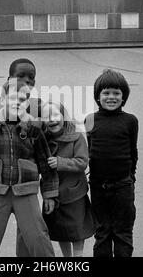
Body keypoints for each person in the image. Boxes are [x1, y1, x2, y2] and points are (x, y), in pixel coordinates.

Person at [0, 81, 59, 257]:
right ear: (2, 100)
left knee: (38, 239)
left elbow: (45, 162)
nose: (18, 102)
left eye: (23, 100)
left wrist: (49, 194)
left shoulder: (33, 130)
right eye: (13, 98)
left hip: (26, 191)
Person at [84, 69, 138, 257]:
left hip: (123, 185)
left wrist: (131, 178)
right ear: (98, 96)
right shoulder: (90, 120)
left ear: (124, 97)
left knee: (123, 232)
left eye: (116, 93)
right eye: (106, 93)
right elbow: (90, 151)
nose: (111, 97)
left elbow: (133, 151)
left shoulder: (130, 121)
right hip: (98, 185)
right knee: (102, 232)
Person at [40, 102, 96, 257]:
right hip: (54, 192)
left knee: (77, 229)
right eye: (46, 117)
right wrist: (46, 194)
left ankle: (78, 257)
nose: (52, 120)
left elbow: (82, 162)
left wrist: (60, 162)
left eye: (56, 115)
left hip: (74, 192)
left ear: (64, 116)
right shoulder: (43, 138)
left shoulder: (76, 136)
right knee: (60, 230)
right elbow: (42, 168)